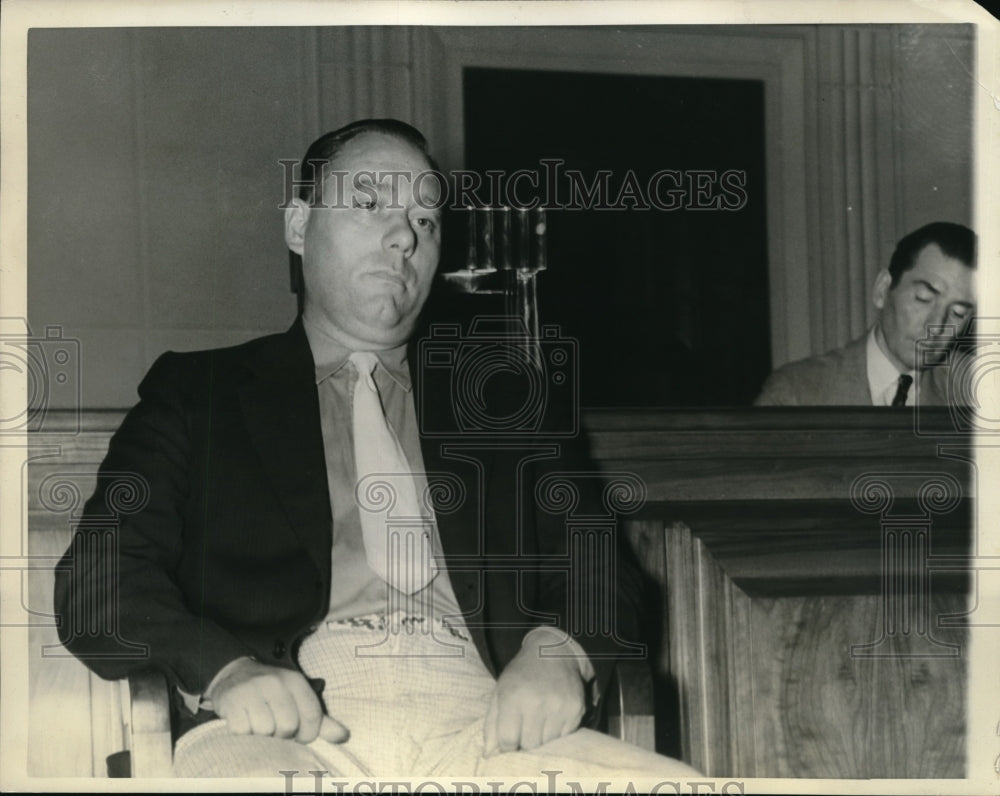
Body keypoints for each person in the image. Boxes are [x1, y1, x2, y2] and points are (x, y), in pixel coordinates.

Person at [54, 119, 699, 781]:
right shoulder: (198, 394)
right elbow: (99, 580)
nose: (404, 237)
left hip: (490, 723)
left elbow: (604, 569)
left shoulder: (506, 400)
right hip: (284, 729)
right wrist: (225, 669)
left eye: (426, 221)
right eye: (370, 206)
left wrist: (558, 650)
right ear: (299, 228)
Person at [755, 222, 976, 407]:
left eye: (958, 313)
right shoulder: (796, 393)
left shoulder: (979, 391)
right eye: (923, 298)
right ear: (882, 289)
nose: (936, 327)